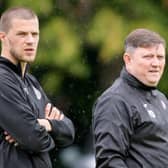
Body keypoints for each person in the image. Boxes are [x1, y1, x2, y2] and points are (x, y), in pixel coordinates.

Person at [0, 6, 75, 168]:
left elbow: (69, 132)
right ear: (3, 37)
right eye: (22, 34)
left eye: (35, 34)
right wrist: (46, 130)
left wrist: (47, 125)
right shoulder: (2, 79)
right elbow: (34, 139)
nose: (30, 40)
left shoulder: (31, 82)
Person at [92, 28, 168, 167]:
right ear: (128, 59)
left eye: (160, 57)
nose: (156, 64)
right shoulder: (115, 101)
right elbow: (109, 161)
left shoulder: (161, 99)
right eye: (148, 57)